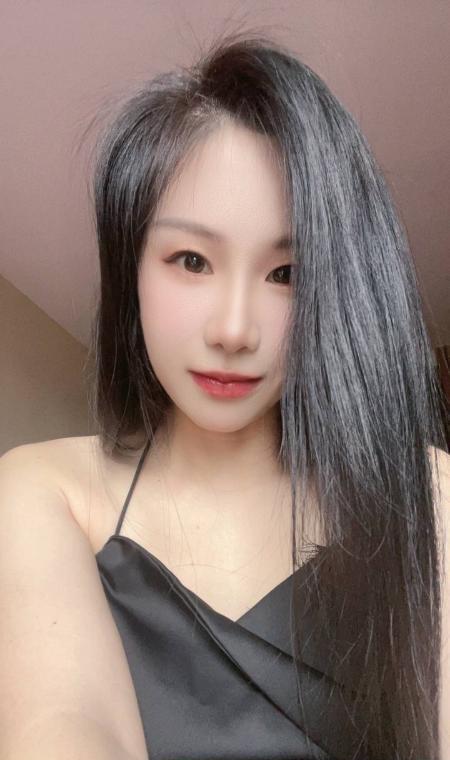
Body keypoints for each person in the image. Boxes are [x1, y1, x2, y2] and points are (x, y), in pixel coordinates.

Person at [1, 29, 449, 760]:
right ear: (131, 266)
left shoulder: (427, 492)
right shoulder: (44, 490)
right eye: (191, 260)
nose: (234, 330)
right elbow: (66, 725)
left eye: (287, 274)